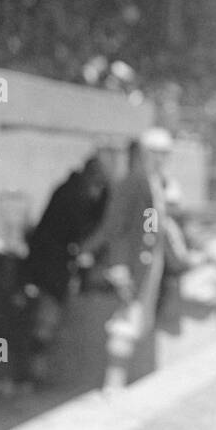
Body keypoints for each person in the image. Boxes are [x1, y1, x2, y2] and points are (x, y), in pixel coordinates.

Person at [79, 128, 174, 389]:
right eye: (155, 153)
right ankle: (114, 384)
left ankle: (120, 382)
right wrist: (120, 264)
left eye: (165, 154)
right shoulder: (133, 182)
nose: (160, 159)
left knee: (137, 318)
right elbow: (116, 226)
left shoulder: (155, 182)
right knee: (126, 319)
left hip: (148, 261)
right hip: (133, 263)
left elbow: (150, 225)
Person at [22, 154, 110, 384]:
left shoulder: (75, 191)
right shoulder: (72, 194)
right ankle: (33, 373)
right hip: (49, 266)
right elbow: (81, 228)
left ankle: (35, 372)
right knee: (44, 319)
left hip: (52, 264)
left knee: (47, 318)